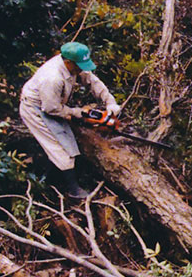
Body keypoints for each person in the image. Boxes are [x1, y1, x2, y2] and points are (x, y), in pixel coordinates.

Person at [19, 42, 121, 199]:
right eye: (79, 66)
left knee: (70, 141)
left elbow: (92, 81)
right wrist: (78, 113)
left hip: (52, 104)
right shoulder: (52, 78)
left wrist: (110, 102)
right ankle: (72, 189)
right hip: (36, 108)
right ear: (68, 62)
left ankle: (51, 178)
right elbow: (51, 108)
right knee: (60, 147)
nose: (81, 69)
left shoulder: (74, 65)